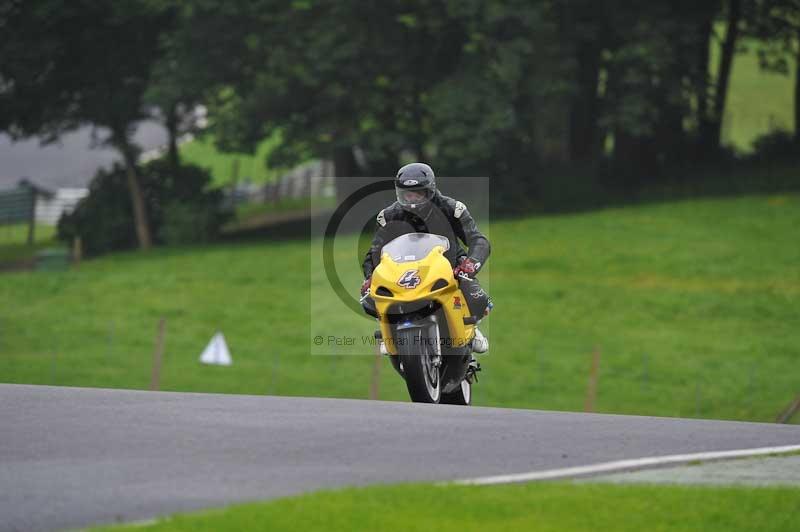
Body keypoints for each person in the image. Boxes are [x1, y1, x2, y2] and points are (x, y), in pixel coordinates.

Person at [360, 162, 491, 354]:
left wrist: (470, 264)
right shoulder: (388, 216)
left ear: (430, 190)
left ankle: (472, 329)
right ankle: (388, 333)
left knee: (478, 298)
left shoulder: (452, 208)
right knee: (369, 298)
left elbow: (478, 240)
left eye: (417, 193)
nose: (412, 199)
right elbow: (374, 252)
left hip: (450, 266)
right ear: (399, 193)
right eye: (407, 194)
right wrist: (371, 276)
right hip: (402, 272)